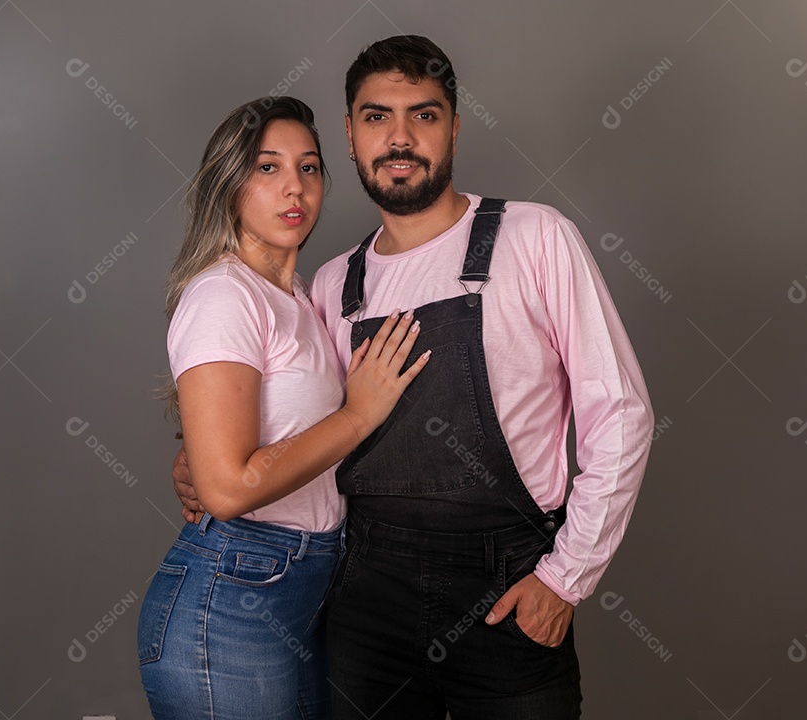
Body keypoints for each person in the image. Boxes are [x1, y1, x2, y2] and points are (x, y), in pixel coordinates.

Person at [176, 35, 654, 719]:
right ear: (349, 135)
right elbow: (285, 412)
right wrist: (199, 460)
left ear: (454, 128)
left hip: (508, 586)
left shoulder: (534, 238)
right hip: (365, 596)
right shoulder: (334, 284)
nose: (399, 138)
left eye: (423, 116)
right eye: (377, 118)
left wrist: (567, 577)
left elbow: (622, 413)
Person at [138, 95, 429, 720]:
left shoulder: (300, 296)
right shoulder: (223, 293)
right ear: (229, 180)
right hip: (232, 601)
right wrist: (358, 415)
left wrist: (196, 457)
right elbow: (227, 488)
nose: (294, 187)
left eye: (310, 167)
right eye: (267, 167)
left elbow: (264, 435)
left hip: (308, 588)